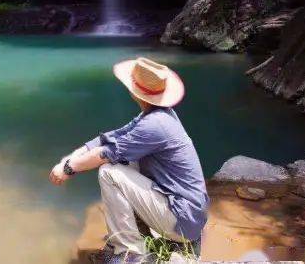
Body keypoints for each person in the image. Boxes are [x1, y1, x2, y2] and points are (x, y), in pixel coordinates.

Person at [49, 57, 209, 263]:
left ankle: (129, 252)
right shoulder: (159, 115)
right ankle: (139, 234)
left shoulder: (153, 125)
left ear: (134, 92)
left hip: (181, 220)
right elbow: (109, 138)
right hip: (189, 214)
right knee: (124, 160)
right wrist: (69, 158)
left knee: (109, 172)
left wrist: (68, 169)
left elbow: (103, 154)